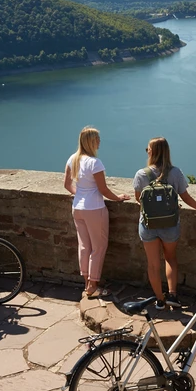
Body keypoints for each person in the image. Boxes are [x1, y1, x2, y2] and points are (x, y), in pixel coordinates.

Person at [133, 137, 196, 310]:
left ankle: (159, 300)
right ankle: (172, 295)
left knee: (153, 264)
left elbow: (138, 199)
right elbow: (185, 197)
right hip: (170, 224)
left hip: (148, 225)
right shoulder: (175, 172)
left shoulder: (141, 174)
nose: (147, 151)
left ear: (152, 152)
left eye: (148, 149)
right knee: (170, 258)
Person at [64, 126, 130, 298]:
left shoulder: (72, 159)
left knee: (84, 246)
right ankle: (93, 286)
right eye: (97, 139)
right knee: (98, 248)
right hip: (94, 209)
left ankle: (86, 283)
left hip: (77, 208)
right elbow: (103, 189)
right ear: (91, 142)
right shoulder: (95, 163)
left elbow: (66, 185)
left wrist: (80, 194)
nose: (100, 142)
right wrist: (118, 198)